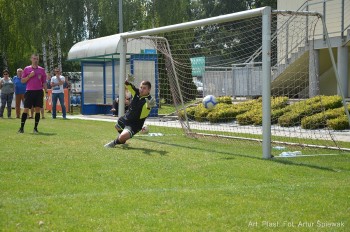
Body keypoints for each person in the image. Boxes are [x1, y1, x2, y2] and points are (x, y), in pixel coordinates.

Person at [104, 75, 156, 148]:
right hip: (126, 118)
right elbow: (129, 86)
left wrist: (148, 107)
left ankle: (114, 143)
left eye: (144, 88)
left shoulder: (149, 100)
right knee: (117, 126)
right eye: (141, 87)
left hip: (135, 124)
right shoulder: (136, 92)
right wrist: (127, 81)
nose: (141, 89)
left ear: (149, 90)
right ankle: (123, 139)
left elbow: (145, 113)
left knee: (122, 137)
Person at [18, 53, 48, 134]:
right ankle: (21, 128)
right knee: (26, 109)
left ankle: (35, 128)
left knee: (37, 109)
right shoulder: (27, 69)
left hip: (39, 91)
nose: (35, 60)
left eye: (37, 59)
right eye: (34, 58)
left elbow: (44, 82)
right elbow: (22, 81)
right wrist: (29, 76)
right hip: (29, 91)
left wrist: (46, 91)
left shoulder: (41, 70)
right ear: (31, 59)